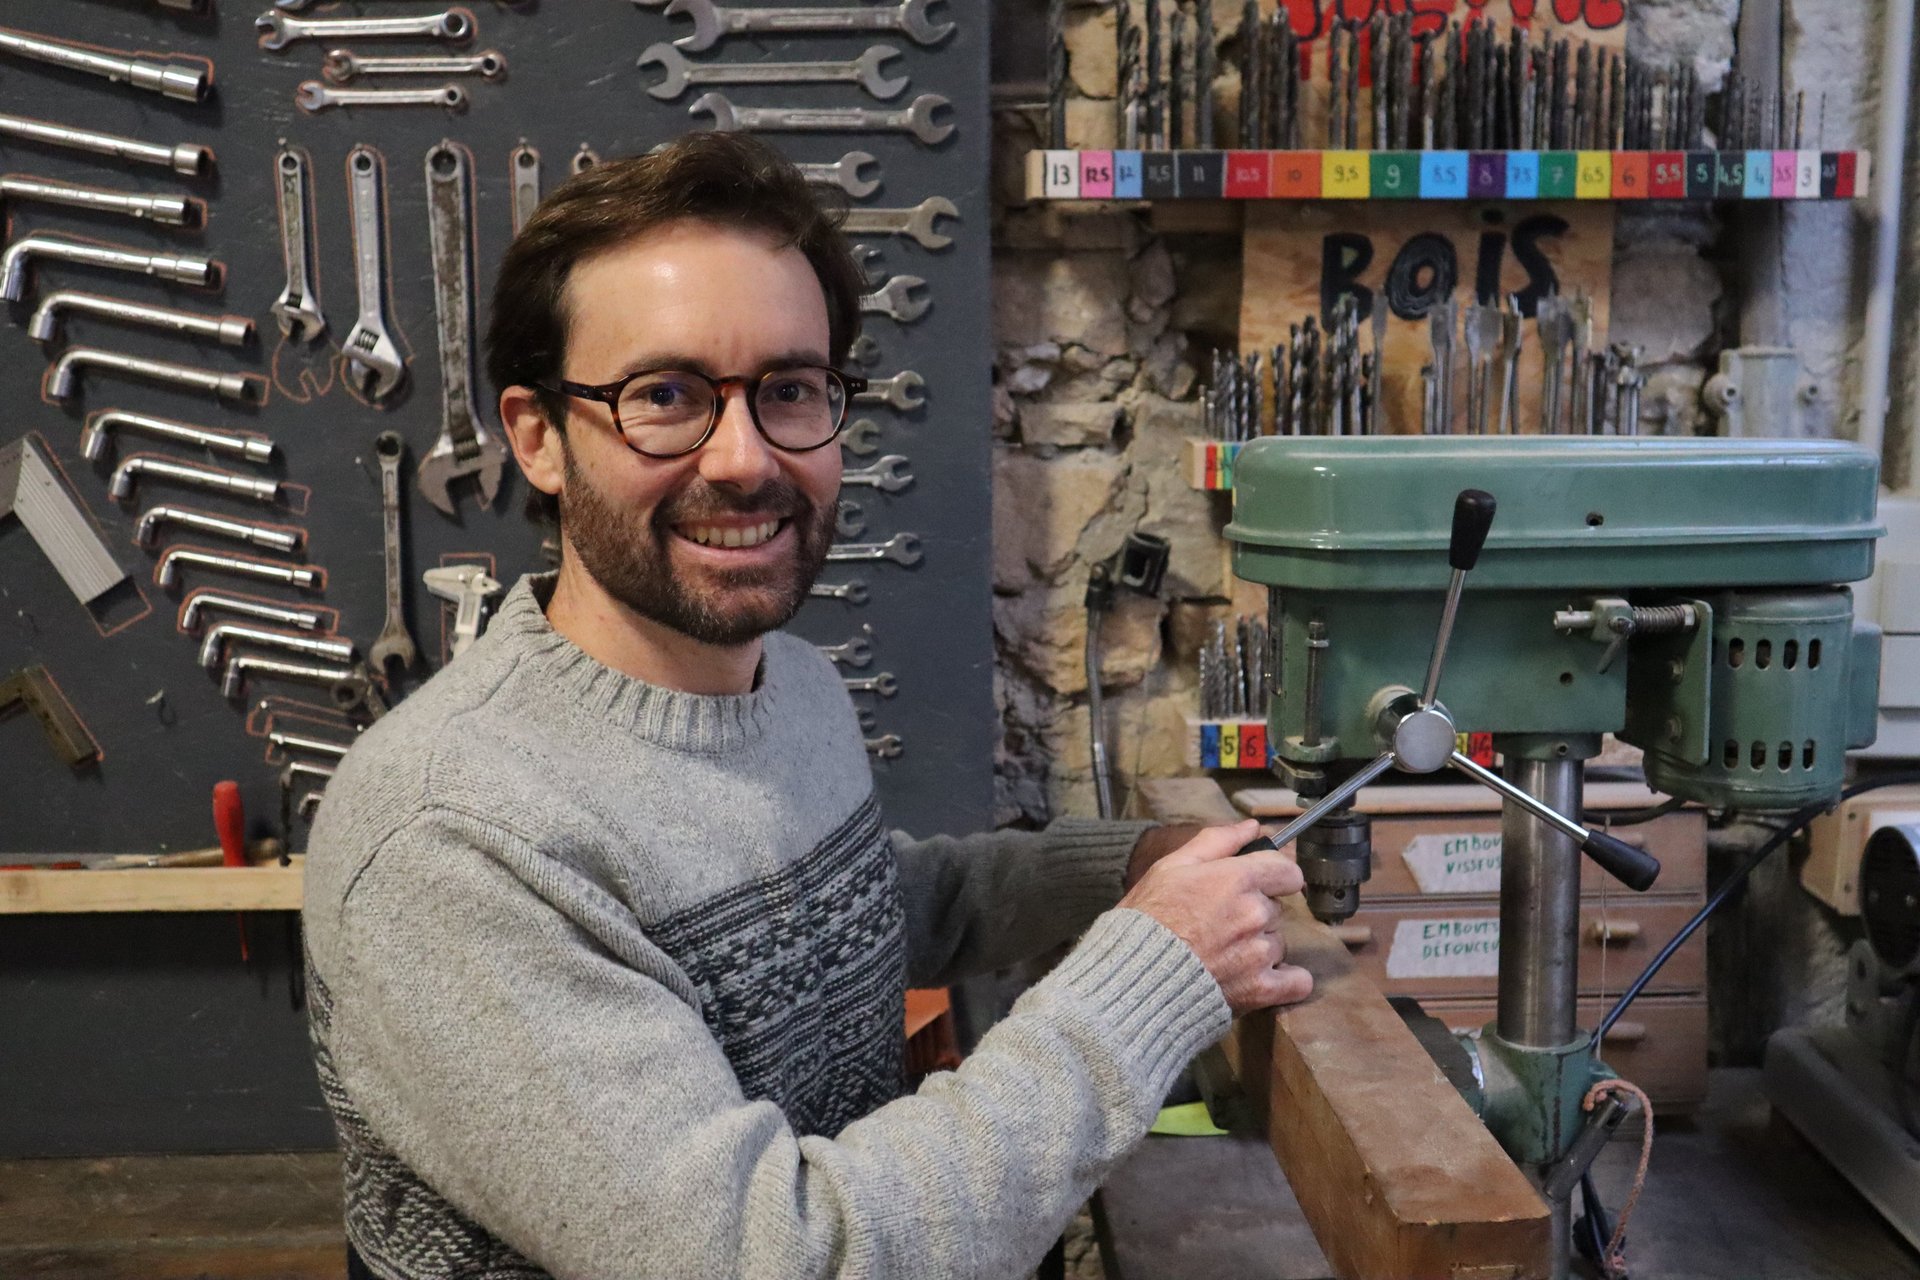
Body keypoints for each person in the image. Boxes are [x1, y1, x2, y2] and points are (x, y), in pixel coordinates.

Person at [303, 132, 1313, 1280]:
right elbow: (776, 1256)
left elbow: (852, 916)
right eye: (666, 395)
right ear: (538, 435)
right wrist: (1153, 974)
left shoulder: (791, 681)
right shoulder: (451, 840)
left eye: (788, 389)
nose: (743, 458)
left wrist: (1122, 862)